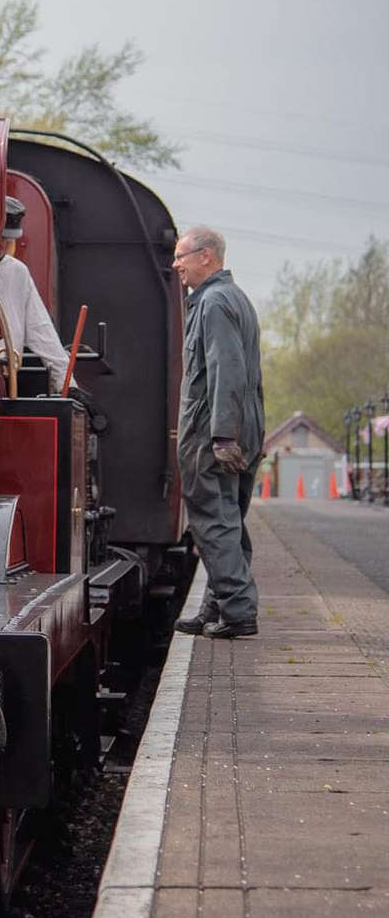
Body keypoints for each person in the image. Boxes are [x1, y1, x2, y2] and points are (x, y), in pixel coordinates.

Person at [171, 225, 265, 639]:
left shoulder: (212, 303)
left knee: (213, 520)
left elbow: (227, 370)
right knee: (228, 520)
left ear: (206, 256)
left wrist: (222, 435)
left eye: (181, 257)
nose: (176, 266)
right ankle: (217, 606)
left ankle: (239, 611)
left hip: (214, 432)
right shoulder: (236, 299)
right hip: (242, 426)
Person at [0, 196, 74, 388]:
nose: (1, 243)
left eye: (6, 238)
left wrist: (67, 386)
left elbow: (42, 331)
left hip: (6, 379)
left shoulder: (18, 272)